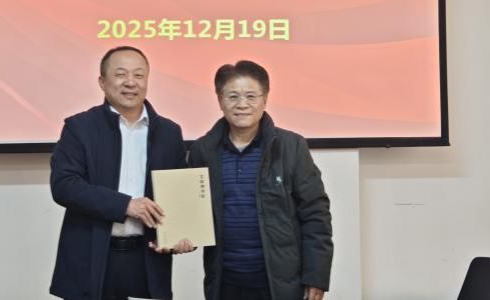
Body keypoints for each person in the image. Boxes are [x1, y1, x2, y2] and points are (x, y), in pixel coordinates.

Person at [50, 46, 193, 300]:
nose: (130, 82)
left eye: (139, 75)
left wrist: (182, 234)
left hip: (146, 260)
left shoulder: (169, 132)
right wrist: (125, 205)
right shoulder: (79, 127)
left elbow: (177, 194)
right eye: (120, 74)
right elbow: (64, 186)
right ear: (102, 82)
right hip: (92, 257)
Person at [189, 60, 333, 300]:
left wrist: (315, 276)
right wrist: (180, 237)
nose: (242, 104)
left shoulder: (291, 147)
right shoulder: (202, 150)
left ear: (265, 99)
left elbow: (315, 214)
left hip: (279, 283)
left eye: (251, 96)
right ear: (220, 100)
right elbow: (194, 215)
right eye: (233, 96)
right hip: (224, 282)